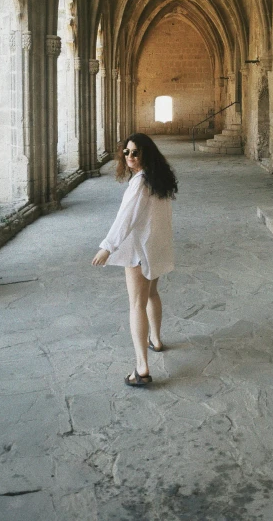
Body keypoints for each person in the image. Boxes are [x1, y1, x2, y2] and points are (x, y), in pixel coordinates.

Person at [92, 133, 178, 387]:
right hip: (156, 247)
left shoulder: (140, 182)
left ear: (146, 154)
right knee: (151, 294)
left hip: (140, 251)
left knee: (136, 305)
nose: (129, 157)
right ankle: (157, 340)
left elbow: (125, 218)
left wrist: (107, 247)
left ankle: (141, 368)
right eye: (126, 152)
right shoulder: (158, 179)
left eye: (135, 153)